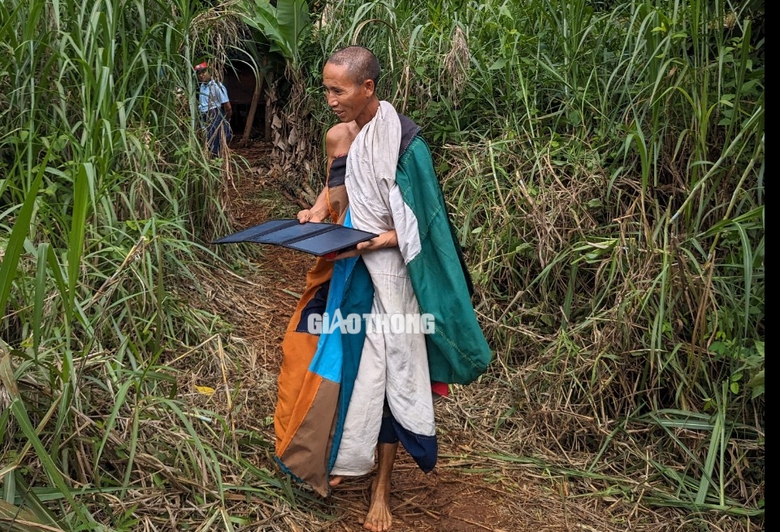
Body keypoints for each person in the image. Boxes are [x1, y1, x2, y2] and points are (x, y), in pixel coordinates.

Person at [273, 46, 491, 532]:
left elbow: (423, 227)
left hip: (392, 278)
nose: (330, 100)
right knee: (326, 356)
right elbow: (337, 191)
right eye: (326, 90)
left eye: (338, 90)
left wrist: (376, 241)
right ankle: (336, 452)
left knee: (390, 374)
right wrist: (315, 213)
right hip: (345, 271)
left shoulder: (406, 145)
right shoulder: (337, 137)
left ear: (367, 87)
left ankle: (381, 490)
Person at [194, 61, 233, 157]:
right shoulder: (202, 86)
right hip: (204, 115)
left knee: (216, 141)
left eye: (204, 72)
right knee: (207, 139)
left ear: (210, 72)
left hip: (214, 114)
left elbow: (227, 106)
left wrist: (225, 119)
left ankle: (217, 159)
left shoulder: (217, 86)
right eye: (199, 73)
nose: (201, 75)